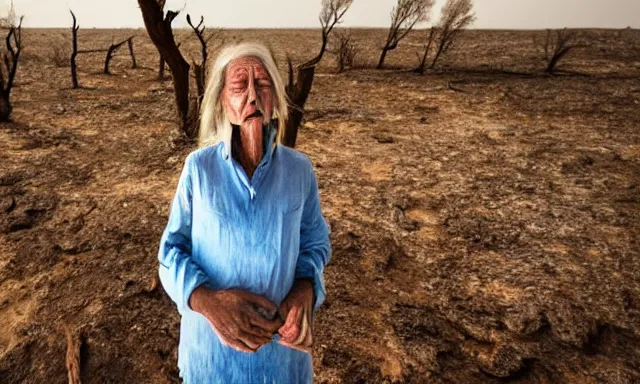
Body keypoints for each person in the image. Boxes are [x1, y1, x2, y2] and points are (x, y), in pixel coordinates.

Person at [157, 41, 331, 384]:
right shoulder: (198, 169)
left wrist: (305, 290)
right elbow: (170, 253)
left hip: (281, 360)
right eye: (239, 85)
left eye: (263, 84)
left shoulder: (299, 170)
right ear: (223, 100)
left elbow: (314, 245)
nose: (252, 96)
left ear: (276, 100)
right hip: (211, 359)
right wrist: (207, 302)